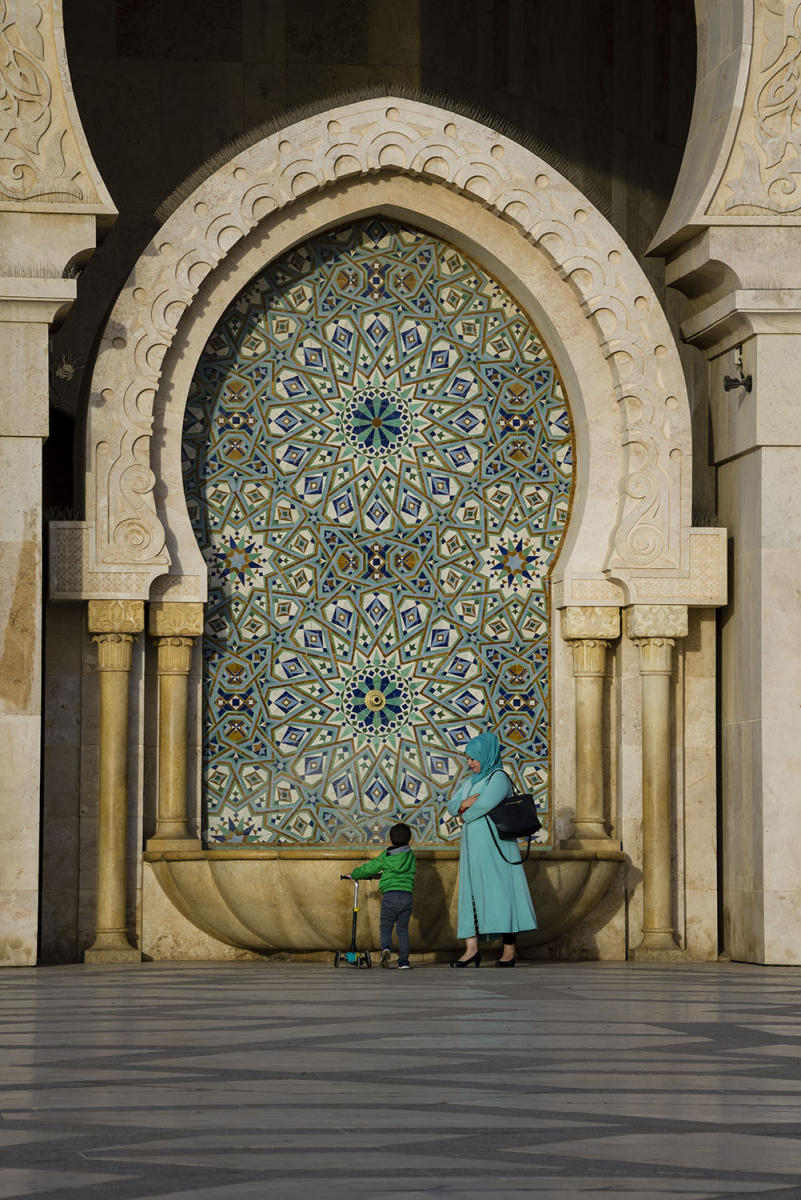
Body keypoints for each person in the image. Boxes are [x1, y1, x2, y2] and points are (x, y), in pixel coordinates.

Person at [446, 731, 537, 967]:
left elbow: (485, 805)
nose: (470, 763)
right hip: (472, 850)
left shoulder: (498, 778)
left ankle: (509, 951)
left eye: (473, 758)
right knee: (472, 896)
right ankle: (471, 950)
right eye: (467, 758)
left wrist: (463, 814)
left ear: (485, 755)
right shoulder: (470, 782)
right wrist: (463, 805)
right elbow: (452, 805)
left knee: (502, 895)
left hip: (497, 848)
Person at [345, 822, 416, 969]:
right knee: (402, 929)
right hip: (407, 896)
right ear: (409, 840)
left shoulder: (386, 855)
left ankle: (386, 949)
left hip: (390, 896)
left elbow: (368, 869)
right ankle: (404, 961)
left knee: (386, 926)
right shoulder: (410, 855)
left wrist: (354, 874)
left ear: (390, 840)